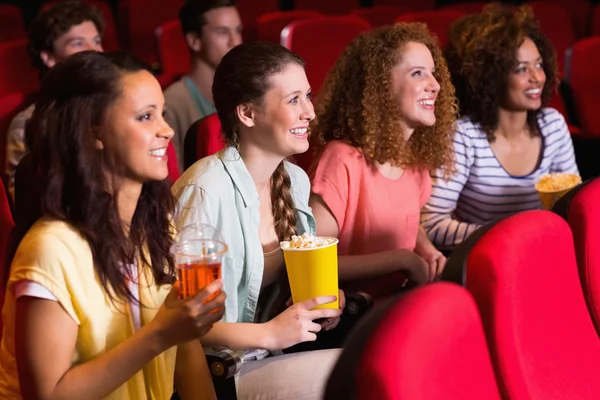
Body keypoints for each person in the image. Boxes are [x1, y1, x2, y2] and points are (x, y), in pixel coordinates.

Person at [0, 51, 225, 400]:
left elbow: (187, 353)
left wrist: (177, 330)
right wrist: (160, 335)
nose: (166, 130)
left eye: (162, 114)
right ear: (95, 132)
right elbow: (46, 395)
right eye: (145, 117)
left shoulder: (155, 225)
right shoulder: (51, 249)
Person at [172, 41, 343, 399]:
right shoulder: (205, 191)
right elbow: (186, 324)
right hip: (217, 370)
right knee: (353, 373)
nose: (310, 112)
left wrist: (322, 304)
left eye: (308, 96)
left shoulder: (295, 181)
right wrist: (270, 333)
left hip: (274, 355)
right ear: (248, 114)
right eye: (294, 99)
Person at [308, 23, 457, 297]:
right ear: (382, 86)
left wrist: (424, 247)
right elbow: (313, 262)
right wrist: (402, 259)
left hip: (399, 304)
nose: (435, 85)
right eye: (417, 74)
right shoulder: (342, 159)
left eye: (433, 74)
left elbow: (407, 221)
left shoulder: (415, 161)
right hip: (349, 318)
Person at [421, 5, 579, 250]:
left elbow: (572, 205)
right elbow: (432, 225)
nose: (537, 77)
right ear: (489, 77)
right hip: (486, 259)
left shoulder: (553, 125)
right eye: (521, 69)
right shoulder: (464, 136)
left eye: (538, 65)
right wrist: (510, 233)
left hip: (545, 249)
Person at [4, 0, 105, 201]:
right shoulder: (26, 124)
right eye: (78, 43)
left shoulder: (115, 105)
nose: (94, 51)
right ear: (48, 57)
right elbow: (25, 204)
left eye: (96, 40)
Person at [164, 0, 242, 172]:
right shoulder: (173, 102)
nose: (235, 41)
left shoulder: (244, 92)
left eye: (238, 31)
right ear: (194, 40)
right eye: (222, 32)